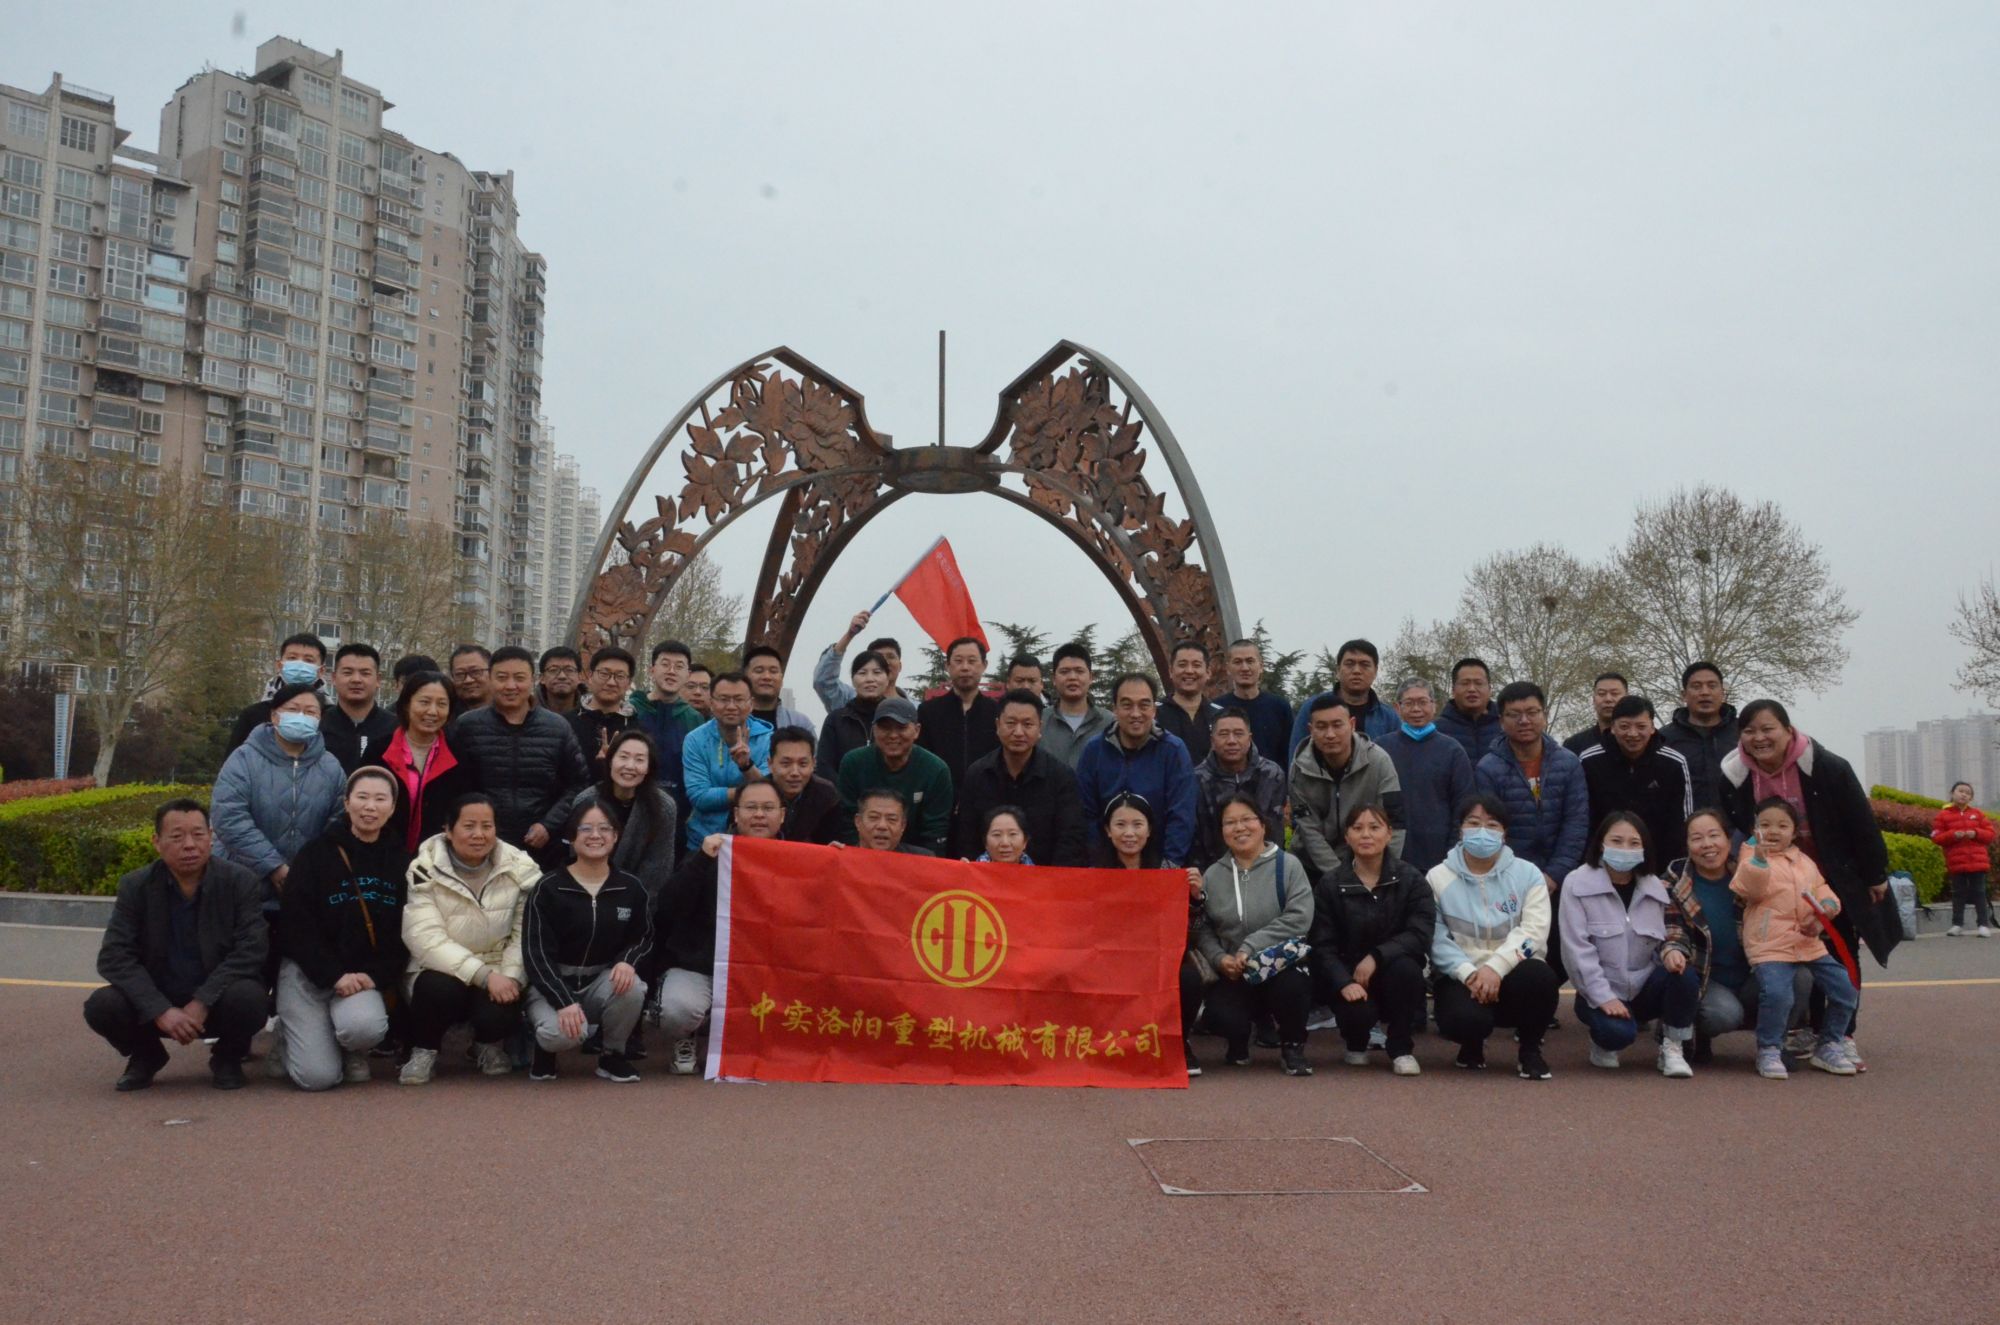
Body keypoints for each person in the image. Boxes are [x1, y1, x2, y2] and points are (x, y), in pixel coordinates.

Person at [1719, 698, 1891, 1069]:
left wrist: (1875, 873)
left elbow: (1860, 821)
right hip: (1773, 880)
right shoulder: (1734, 774)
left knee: (1840, 952)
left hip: (1829, 874)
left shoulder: (1827, 766)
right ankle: (1809, 1030)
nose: (1759, 738)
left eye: (1768, 729)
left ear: (1788, 729)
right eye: (1749, 731)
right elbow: (1732, 820)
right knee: (1796, 953)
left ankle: (1842, 1036)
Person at [84, 800, 268, 1091]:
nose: (189, 845)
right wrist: (159, 1009)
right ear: (156, 842)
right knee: (102, 1005)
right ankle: (147, 1055)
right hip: (158, 1000)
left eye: (198, 834)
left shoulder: (239, 882)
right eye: (177, 837)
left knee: (251, 998)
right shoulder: (135, 886)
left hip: (216, 999)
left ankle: (227, 1057)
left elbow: (252, 949)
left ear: (211, 837)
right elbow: (114, 956)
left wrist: (203, 1000)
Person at [273, 768, 408, 1090]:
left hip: (360, 978)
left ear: (392, 807)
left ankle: (350, 1049)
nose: (370, 807)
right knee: (317, 1078)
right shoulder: (315, 853)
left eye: (380, 799)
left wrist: (374, 976)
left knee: (364, 1028)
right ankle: (288, 1036)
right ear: (347, 803)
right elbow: (294, 926)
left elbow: (405, 933)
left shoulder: (402, 860)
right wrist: (333, 974)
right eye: (362, 797)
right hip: (308, 972)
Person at [398, 793, 542, 1084]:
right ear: (448, 830)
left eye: (487, 826)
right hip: (439, 969)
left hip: (498, 965)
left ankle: (485, 1045)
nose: (479, 834)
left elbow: (524, 933)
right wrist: (484, 975)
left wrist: (511, 977)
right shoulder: (423, 869)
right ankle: (424, 1050)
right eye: (469, 826)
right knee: (436, 989)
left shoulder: (521, 868)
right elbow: (426, 938)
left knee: (503, 1004)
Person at [653, 779, 787, 1074]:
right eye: (751, 807)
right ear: (736, 814)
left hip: (766, 972)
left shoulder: (798, 859)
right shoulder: (710, 852)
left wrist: (836, 860)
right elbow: (668, 908)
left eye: (768, 808)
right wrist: (701, 861)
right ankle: (689, 1033)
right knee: (677, 1010)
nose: (759, 815)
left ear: (782, 815)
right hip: (703, 968)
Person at [1661, 808, 1811, 1062]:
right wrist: (1673, 950)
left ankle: (1774, 1045)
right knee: (1725, 1014)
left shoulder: (1750, 872)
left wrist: (1812, 919)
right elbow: (1672, 930)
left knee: (1800, 977)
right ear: (1686, 845)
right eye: (1697, 838)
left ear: (1729, 840)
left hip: (1753, 973)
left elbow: (1785, 905)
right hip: (1706, 980)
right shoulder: (1673, 882)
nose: (1707, 844)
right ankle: (1696, 1033)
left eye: (1714, 835)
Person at [1428, 792, 1560, 1079]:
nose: (1482, 832)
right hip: (1463, 976)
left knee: (1540, 978)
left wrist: (1495, 968)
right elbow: (1436, 938)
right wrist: (1470, 974)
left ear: (1504, 833)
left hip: (1512, 971)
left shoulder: (1529, 874)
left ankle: (1530, 1050)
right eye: (1473, 823)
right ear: (1460, 830)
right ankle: (1472, 1044)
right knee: (1463, 1020)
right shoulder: (1437, 877)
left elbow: (1534, 931)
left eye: (1492, 825)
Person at [1558, 811, 1699, 1077]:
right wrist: (1604, 997)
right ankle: (1602, 1042)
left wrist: (1670, 952)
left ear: (1644, 848)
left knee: (1685, 975)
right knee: (1618, 1034)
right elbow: (1576, 951)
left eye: (1634, 843)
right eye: (1616, 841)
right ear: (1601, 844)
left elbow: (1664, 937)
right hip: (1600, 990)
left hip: (1643, 988)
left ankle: (1673, 1047)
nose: (1625, 849)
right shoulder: (1577, 883)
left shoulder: (1655, 888)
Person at [1729, 797, 1862, 1079]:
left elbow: (1822, 890)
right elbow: (1750, 890)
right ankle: (1769, 1049)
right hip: (1769, 945)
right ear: (1755, 829)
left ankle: (1830, 1044)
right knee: (1778, 994)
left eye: (1782, 825)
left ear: (1794, 832)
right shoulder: (1750, 855)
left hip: (1807, 942)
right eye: (1765, 824)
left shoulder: (1804, 861)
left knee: (1846, 989)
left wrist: (1826, 910)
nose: (1773, 831)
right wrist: (1759, 860)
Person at [522, 801, 652, 1083]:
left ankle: (612, 1055)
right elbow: (536, 953)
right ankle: (544, 1047)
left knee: (632, 987)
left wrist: (627, 962)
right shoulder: (548, 887)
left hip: (599, 982)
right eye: (586, 828)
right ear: (571, 836)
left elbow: (642, 936)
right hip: (553, 983)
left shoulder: (630, 887)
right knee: (563, 1034)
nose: (596, 835)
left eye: (604, 828)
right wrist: (563, 1000)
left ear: (615, 836)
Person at [1186, 793, 1315, 1076]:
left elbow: (1299, 918)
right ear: (1222, 831)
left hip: (1279, 966)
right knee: (1219, 1015)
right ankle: (1238, 1042)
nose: (1239, 828)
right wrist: (1220, 959)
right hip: (1234, 972)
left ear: (1263, 825)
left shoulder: (1288, 865)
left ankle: (1292, 1046)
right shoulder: (1213, 875)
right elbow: (1204, 929)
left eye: (1247, 819)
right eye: (1230, 822)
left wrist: (1250, 946)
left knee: (1293, 988)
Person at [1307, 802, 1432, 1075]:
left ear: (1389, 834)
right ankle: (1356, 1043)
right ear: (1347, 836)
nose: (1366, 835)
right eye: (1358, 828)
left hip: (1394, 970)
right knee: (1356, 1012)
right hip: (1348, 974)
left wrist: (1377, 956)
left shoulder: (1411, 879)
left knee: (1407, 971)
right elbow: (1321, 944)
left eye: (1374, 827)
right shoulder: (1330, 884)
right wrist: (1344, 981)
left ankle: (1401, 1048)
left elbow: (1420, 933)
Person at [451, 646, 591, 864]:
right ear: (490, 679)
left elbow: (579, 784)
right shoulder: (467, 726)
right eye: (502, 678)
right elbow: (457, 787)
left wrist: (549, 825)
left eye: (519, 678)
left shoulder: (557, 727)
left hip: (543, 846)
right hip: (483, 843)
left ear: (533, 680)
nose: (510, 686)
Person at [211, 682, 346, 894]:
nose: (301, 716)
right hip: (243, 884)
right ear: (274, 716)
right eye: (293, 709)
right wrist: (274, 866)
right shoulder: (243, 759)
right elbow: (229, 817)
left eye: (310, 712)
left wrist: (310, 867)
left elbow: (339, 819)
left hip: (307, 886)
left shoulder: (330, 766)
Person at [1473, 680, 1590, 920]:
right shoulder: (1488, 768)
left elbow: (1576, 822)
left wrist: (1554, 874)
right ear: (1501, 721)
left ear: (1544, 715)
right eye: (1514, 714)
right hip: (1508, 880)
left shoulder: (1568, 763)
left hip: (1562, 879)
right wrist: (1516, 876)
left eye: (1532, 712)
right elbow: (1490, 829)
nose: (1524, 720)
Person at [1076, 673, 1199, 869]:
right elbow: (1086, 813)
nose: (1135, 714)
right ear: (1115, 709)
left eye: (1144, 705)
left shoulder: (1173, 750)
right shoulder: (1094, 750)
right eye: (1127, 705)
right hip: (1105, 865)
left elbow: (1182, 813)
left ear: (1154, 710)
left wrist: (1170, 864)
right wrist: (1096, 862)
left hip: (1159, 864)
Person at [954, 690, 1087, 865]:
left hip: (1044, 876)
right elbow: (966, 836)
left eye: (1027, 724)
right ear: (998, 725)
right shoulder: (977, 774)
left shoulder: (1060, 776)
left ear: (1039, 728)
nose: (1018, 732)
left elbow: (1070, 838)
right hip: (987, 876)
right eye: (1010, 723)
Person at [1289, 696, 1405, 880]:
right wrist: (1341, 878)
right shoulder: (1299, 769)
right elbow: (1308, 829)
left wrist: (1383, 871)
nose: (1330, 734)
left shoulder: (1379, 761)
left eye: (1337, 725)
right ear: (1311, 730)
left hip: (1368, 862)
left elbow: (1395, 821)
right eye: (1321, 727)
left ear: (1352, 725)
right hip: (1313, 864)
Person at [1376, 679, 1475, 874]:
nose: (1416, 709)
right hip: (1391, 852)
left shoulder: (1452, 750)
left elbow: (1464, 806)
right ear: (1397, 708)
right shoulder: (1381, 748)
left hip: (1440, 856)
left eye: (1422, 702)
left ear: (1434, 705)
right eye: (1409, 703)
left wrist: (1453, 852)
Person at [369, 670, 473, 855]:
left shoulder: (460, 756)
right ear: (406, 704)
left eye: (442, 704)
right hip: (380, 854)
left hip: (439, 857)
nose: (432, 711)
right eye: (424, 702)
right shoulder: (379, 751)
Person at [1579, 694, 1694, 858]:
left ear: (1652, 727)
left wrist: (1673, 866)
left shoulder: (1673, 763)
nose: (1633, 734)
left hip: (1659, 860)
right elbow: (1582, 819)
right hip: (1603, 858)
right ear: (1612, 727)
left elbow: (1682, 822)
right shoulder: (1589, 761)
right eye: (1624, 726)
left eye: (1641, 726)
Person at [836, 697, 953, 852]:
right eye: (885, 727)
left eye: (901, 728)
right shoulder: (853, 763)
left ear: (916, 730)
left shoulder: (936, 770)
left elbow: (935, 832)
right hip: (863, 854)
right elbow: (848, 822)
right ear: (874, 729)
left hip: (915, 856)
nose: (893, 735)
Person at [681, 671, 774, 850]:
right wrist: (747, 795)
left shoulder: (768, 739)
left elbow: (769, 795)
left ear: (751, 704)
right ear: (711, 703)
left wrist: (746, 766)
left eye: (739, 699)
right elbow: (699, 796)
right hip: (703, 841)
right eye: (723, 699)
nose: (731, 706)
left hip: (755, 843)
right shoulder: (695, 740)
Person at [1191, 709, 1285, 869]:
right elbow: (1198, 836)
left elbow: (1275, 829)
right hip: (1215, 868)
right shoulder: (1197, 779)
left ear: (1249, 738)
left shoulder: (1271, 773)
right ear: (1212, 740)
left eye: (1238, 734)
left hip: (1265, 866)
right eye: (1223, 734)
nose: (1231, 741)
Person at [917, 636, 1000, 790]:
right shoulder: (928, 712)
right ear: (947, 665)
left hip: (987, 797)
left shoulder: (998, 712)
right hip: (941, 796)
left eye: (972, 661)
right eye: (958, 661)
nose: (965, 667)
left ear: (984, 665)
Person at [225, 632, 329, 754]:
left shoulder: (331, 717)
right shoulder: (253, 714)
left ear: (321, 671)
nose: (299, 665)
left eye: (308, 660)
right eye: (292, 658)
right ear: (279, 665)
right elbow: (234, 759)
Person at [1288, 638, 1399, 753]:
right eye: (1349, 664)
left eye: (1364, 665)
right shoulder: (1313, 708)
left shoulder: (1389, 717)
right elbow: (1297, 756)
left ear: (1375, 671)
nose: (1356, 671)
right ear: (1338, 670)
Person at [1660, 661, 1739, 811]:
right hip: (1685, 824)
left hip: (1738, 825)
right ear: (1684, 695)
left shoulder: (1743, 733)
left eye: (1712, 686)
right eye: (1696, 687)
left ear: (1723, 692)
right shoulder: (1664, 739)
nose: (1705, 692)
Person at [1215, 638, 1293, 768]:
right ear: (1228, 668)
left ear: (1261, 666)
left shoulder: (1279, 707)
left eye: (1250, 661)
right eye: (1238, 662)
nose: (1245, 668)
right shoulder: (1217, 708)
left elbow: (1290, 752)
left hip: (1274, 778)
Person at [320, 643, 396, 772]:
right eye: (347, 673)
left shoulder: (396, 728)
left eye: (365, 673)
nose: (356, 679)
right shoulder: (319, 725)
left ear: (378, 680)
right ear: (333, 678)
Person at [816, 649, 890, 781]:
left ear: (887, 678)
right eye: (862, 673)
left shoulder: (896, 719)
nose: (870, 679)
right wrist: (846, 790)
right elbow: (824, 766)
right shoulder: (836, 720)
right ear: (853, 679)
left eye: (877, 672)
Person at [1934, 781, 1996, 936]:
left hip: (1977, 862)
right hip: (1956, 862)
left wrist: (1976, 833)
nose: (1964, 795)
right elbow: (1936, 836)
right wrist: (1953, 835)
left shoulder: (1978, 814)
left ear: (1971, 798)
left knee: (1979, 893)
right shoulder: (1943, 815)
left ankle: (1983, 925)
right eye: (1960, 791)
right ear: (1952, 793)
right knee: (1958, 893)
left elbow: (1990, 834)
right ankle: (1957, 924)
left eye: (1968, 793)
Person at [813, 608, 905, 708]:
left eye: (891, 657)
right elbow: (823, 682)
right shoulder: (848, 700)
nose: (885, 662)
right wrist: (850, 634)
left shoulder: (915, 707)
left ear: (900, 666)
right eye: (879, 657)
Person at [1041, 642, 1114, 766]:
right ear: (1054, 678)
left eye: (1079, 671)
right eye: (1064, 672)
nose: (1072, 677)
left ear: (1091, 677)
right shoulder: (1040, 721)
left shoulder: (1110, 723)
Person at [769, 726, 844, 846]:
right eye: (786, 763)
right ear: (770, 764)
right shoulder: (754, 794)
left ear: (813, 764)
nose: (795, 772)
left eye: (803, 764)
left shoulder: (827, 795)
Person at [571, 646, 638, 778]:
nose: (611, 682)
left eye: (620, 676)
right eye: (604, 674)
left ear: (629, 683)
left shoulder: (637, 730)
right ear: (590, 676)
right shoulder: (566, 723)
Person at [1158, 640, 1221, 764]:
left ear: (1208, 672)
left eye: (1196, 665)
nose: (1189, 671)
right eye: (1182, 665)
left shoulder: (1221, 715)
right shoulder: (1153, 714)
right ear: (1171, 671)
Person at [1436, 657, 1501, 762]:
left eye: (1478, 683)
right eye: (1465, 683)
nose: (1472, 689)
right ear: (1453, 690)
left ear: (1490, 689)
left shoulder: (1506, 726)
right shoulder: (1437, 730)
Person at [743, 644, 815, 735]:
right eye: (759, 671)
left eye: (773, 671)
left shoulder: (800, 723)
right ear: (745, 678)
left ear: (781, 678)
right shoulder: (732, 720)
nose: (767, 677)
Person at [1091, 790, 1162, 870]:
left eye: (1137, 824)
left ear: (1149, 830)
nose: (1129, 833)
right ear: (1108, 830)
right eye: (1120, 824)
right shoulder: (1093, 873)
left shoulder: (1167, 870)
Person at [1563, 672, 1628, 756]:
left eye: (1614, 693)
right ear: (1593, 700)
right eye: (1601, 694)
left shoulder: (1638, 741)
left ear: (1627, 698)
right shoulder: (1574, 745)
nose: (1608, 699)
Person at [851, 787, 931, 854]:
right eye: (874, 817)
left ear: (903, 825)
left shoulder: (924, 859)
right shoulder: (844, 859)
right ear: (858, 821)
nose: (882, 826)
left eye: (891, 819)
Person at [446, 644, 492, 718]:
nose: (468, 680)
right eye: (460, 674)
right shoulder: (444, 716)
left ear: (492, 672)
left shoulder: (509, 712)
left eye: (475, 672)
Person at [536, 646, 583, 717]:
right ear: (542, 678)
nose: (562, 676)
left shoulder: (591, 715)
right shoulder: (527, 715)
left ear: (579, 677)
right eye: (553, 670)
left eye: (569, 670)